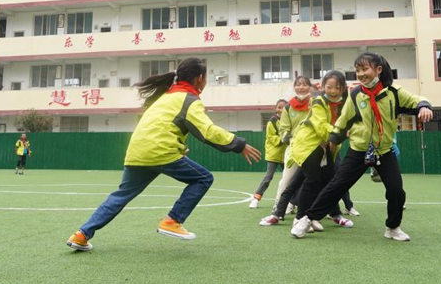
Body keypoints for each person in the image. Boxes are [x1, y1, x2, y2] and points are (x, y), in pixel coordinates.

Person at [66, 58, 261, 251]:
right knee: (203, 178)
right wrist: (238, 144)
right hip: (159, 151)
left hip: (137, 152)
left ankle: (82, 234)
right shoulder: (189, 100)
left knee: (120, 196)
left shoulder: (165, 97)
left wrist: (179, 147)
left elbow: (164, 126)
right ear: (199, 78)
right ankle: (172, 221)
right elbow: (207, 131)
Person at [291, 52, 432, 241]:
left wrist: (424, 107)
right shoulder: (356, 94)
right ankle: (307, 218)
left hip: (383, 151)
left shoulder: (393, 92)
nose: (361, 74)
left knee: (396, 190)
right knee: (336, 186)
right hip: (359, 150)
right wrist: (334, 139)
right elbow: (343, 120)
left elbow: (416, 100)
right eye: (357, 70)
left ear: (378, 70)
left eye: (365, 69)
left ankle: (393, 228)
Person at [287, 70, 354, 233]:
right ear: (323, 86)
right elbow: (320, 125)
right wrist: (338, 135)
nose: (332, 91)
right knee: (312, 181)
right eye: (329, 87)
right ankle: (299, 219)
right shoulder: (318, 101)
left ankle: (322, 216)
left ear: (343, 88)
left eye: (337, 87)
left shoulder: (344, 103)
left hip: (328, 147)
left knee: (330, 181)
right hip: (309, 145)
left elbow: (347, 122)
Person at [259, 76, 312, 226]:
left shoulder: (315, 104)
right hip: (294, 149)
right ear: (294, 87)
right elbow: (283, 129)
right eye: (298, 84)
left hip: (313, 149)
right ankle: (278, 209)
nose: (301, 87)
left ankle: (324, 212)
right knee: (286, 179)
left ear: (310, 87)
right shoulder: (289, 107)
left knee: (318, 180)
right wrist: (290, 140)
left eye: (305, 84)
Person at [249, 99, 288, 208]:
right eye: (279, 107)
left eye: (284, 107)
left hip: (285, 155)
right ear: (276, 108)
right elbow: (271, 137)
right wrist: (282, 139)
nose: (281, 110)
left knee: (289, 179)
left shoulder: (288, 121)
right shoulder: (272, 121)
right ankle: (256, 198)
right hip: (273, 155)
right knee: (268, 177)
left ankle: (289, 203)